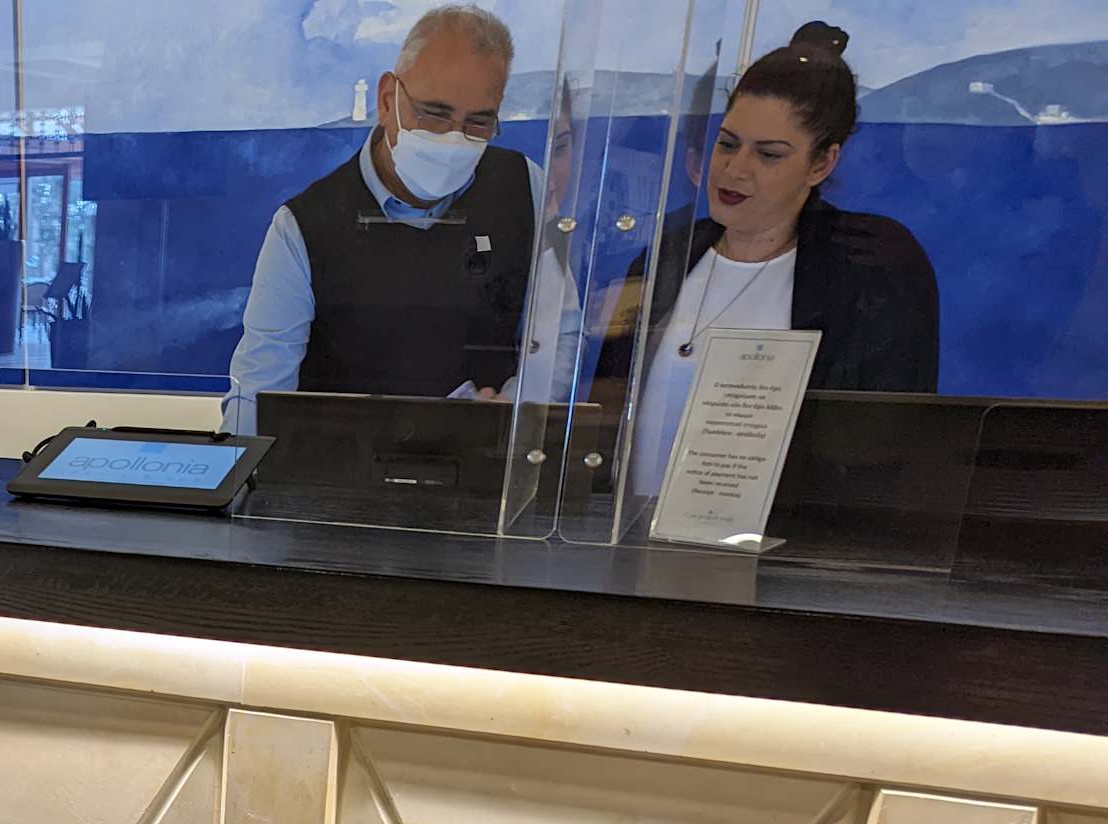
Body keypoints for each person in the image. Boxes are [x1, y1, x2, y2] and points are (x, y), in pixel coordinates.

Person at [601, 22, 940, 498]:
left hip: (789, 539)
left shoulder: (871, 266)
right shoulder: (666, 256)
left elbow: (882, 452)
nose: (736, 169)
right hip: (634, 536)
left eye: (769, 154)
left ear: (821, 163)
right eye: (727, 143)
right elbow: (604, 418)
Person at [223, 5, 543, 433]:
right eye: (435, 113)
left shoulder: (524, 187)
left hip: (484, 461)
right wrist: (240, 469)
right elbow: (259, 390)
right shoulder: (303, 227)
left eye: (478, 122)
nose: (454, 138)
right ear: (388, 99)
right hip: (339, 463)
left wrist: (515, 405)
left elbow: (557, 337)